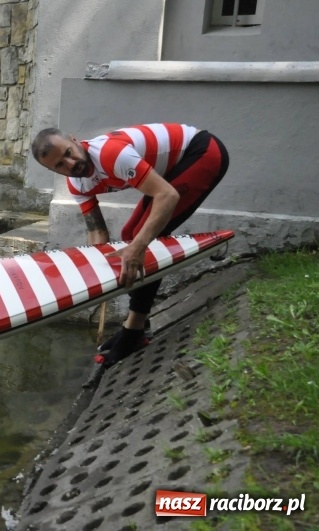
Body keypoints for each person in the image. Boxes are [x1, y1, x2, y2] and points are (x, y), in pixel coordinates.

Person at [31, 123, 229, 388]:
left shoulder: (111, 155)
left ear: (75, 140)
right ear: (53, 171)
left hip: (203, 151)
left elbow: (167, 195)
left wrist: (139, 246)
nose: (70, 164)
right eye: (59, 165)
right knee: (130, 235)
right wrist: (98, 281)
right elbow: (98, 235)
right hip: (172, 169)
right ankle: (138, 325)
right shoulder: (77, 184)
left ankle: (135, 330)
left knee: (142, 239)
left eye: (69, 152)